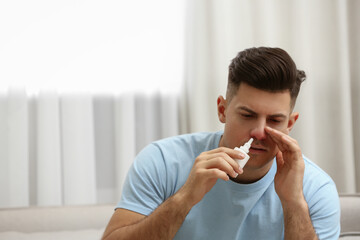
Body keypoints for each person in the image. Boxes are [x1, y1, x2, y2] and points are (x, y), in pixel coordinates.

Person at [102, 47, 340, 239]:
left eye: (275, 120)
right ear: (222, 110)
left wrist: (293, 203)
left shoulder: (315, 189)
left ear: (290, 123)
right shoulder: (162, 161)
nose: (259, 132)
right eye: (247, 115)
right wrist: (184, 199)